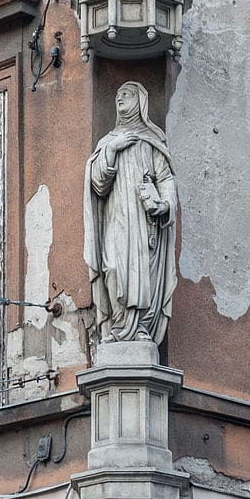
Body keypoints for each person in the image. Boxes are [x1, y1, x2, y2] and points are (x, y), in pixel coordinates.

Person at [83, 82, 178, 344]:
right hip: (116, 219)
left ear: (139, 102)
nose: (119, 98)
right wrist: (113, 150)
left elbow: (166, 178)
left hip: (144, 222)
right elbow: (98, 186)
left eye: (126, 94)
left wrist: (164, 204)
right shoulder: (107, 143)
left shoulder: (151, 142)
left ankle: (140, 329)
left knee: (144, 273)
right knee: (112, 268)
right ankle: (118, 326)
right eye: (117, 95)